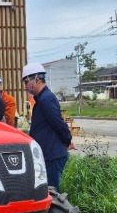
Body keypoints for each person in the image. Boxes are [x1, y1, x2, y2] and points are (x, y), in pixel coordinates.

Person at [22, 63, 76, 191]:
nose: (25, 86)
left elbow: (58, 124)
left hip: (53, 156)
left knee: (52, 193)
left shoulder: (46, 99)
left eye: (26, 82)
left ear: (37, 80)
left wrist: (68, 140)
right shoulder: (41, 99)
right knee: (47, 191)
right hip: (48, 154)